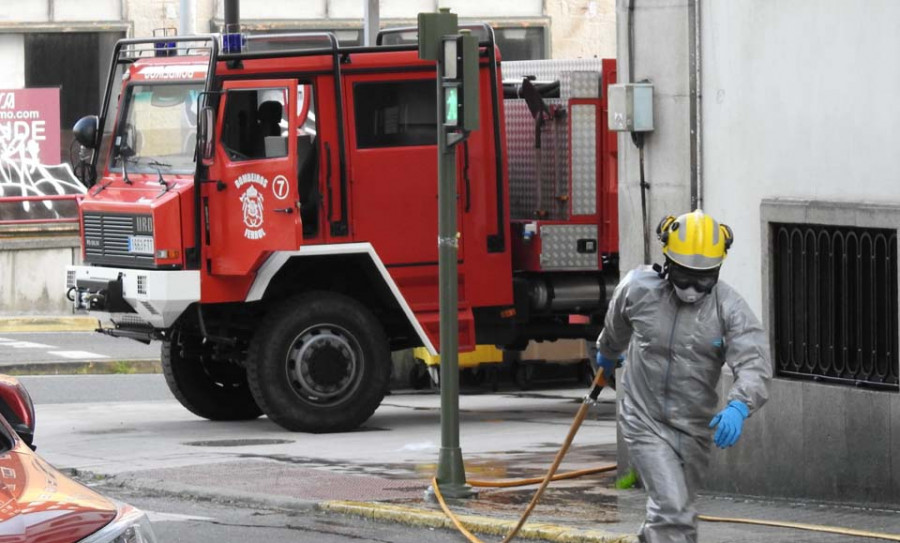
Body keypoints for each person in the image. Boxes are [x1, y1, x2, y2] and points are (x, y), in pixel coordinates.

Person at [594, 209, 771, 543]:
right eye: (685, 276)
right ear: (668, 263)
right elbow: (616, 322)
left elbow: (754, 362)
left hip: (694, 428)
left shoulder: (728, 308)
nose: (692, 289)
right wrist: (608, 350)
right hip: (643, 419)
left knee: (676, 512)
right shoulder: (639, 289)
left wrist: (739, 405)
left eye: (704, 279)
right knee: (674, 511)